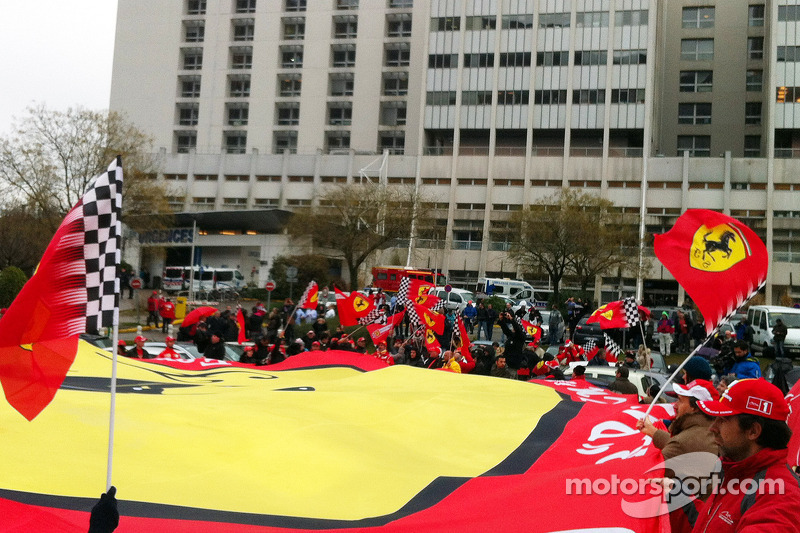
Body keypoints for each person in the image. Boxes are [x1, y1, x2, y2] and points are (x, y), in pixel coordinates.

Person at [691, 379, 800, 532]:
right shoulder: (736, 471)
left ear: (753, 431)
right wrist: (678, 501)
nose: (712, 428)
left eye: (722, 420)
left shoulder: (780, 496)